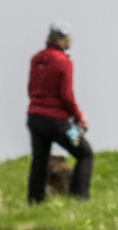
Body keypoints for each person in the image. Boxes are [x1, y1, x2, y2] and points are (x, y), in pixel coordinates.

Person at [27, 25, 94, 203]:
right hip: (56, 120)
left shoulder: (37, 58)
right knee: (85, 154)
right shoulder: (64, 61)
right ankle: (80, 197)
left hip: (34, 116)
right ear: (63, 39)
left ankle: (35, 200)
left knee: (39, 161)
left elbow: (30, 88)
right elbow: (66, 96)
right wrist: (79, 116)